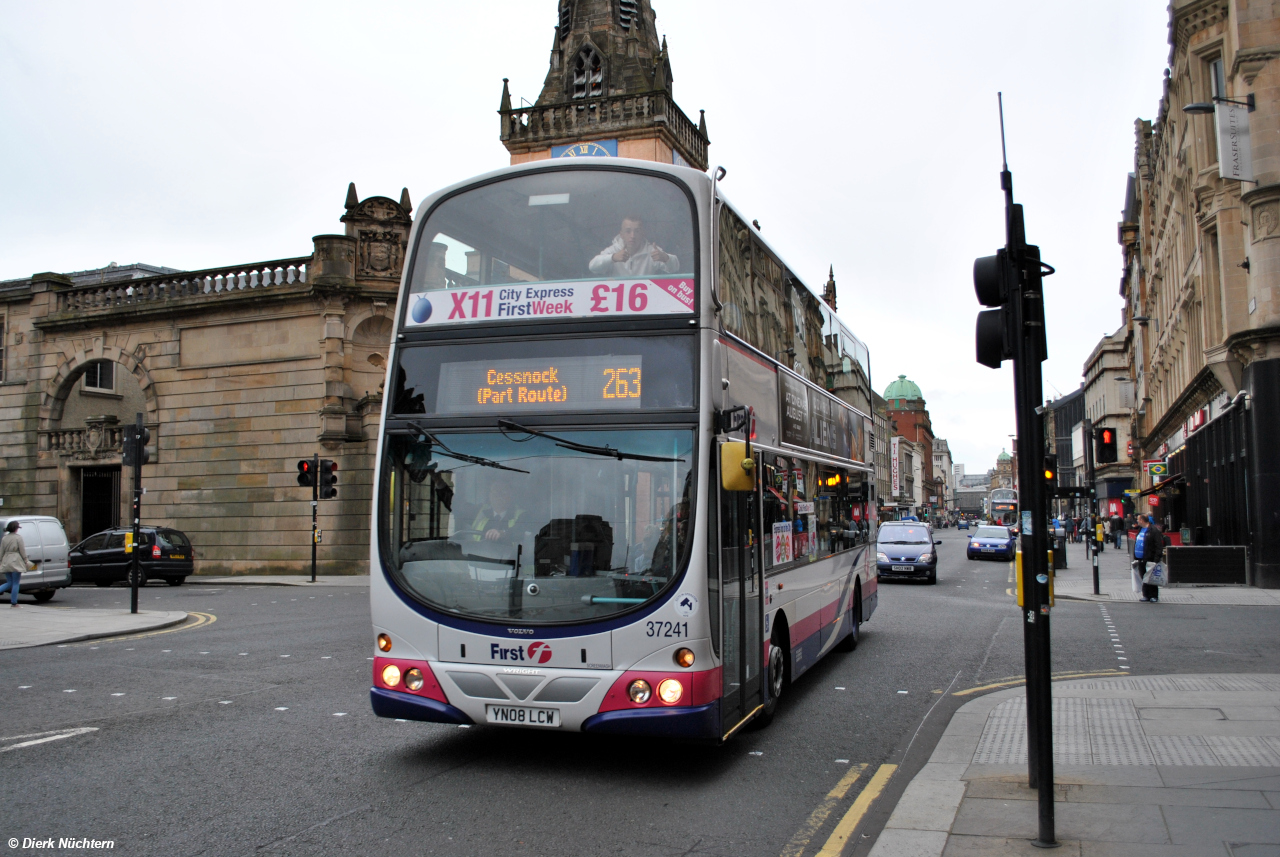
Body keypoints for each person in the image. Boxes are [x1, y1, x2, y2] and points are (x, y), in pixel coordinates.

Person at [588, 215, 680, 278]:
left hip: (647, 300)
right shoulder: (614, 250)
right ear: (622, 234)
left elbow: (675, 268)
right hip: (617, 299)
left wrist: (665, 258)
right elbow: (593, 267)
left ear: (642, 233)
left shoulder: (652, 250)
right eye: (628, 231)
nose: (632, 236)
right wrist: (613, 258)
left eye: (637, 231)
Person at [1134, 513, 1166, 603]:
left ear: (1142, 520)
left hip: (1150, 558)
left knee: (1151, 577)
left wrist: (1156, 559)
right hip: (1140, 558)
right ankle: (1146, 595)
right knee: (1143, 577)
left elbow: (1158, 545)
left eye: (1138, 519)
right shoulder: (1140, 529)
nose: (1137, 521)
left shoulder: (1153, 530)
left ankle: (1153, 595)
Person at [0, 520, 30, 608]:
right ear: (16, 529)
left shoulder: (4, 538)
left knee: (9, 582)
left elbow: (1, 551)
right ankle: (14, 603)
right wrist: (26, 560)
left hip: (6, 560)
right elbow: (22, 551)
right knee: (16, 583)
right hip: (16, 561)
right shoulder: (18, 538)